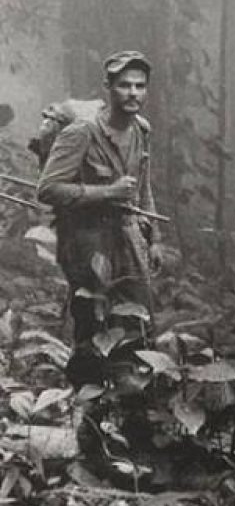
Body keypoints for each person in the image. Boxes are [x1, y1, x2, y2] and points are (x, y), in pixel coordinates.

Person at [37, 51, 160, 393]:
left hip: (129, 238)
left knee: (138, 322)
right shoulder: (82, 132)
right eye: (124, 85)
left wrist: (155, 239)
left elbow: (143, 187)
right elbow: (48, 189)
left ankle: (131, 406)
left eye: (140, 86)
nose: (133, 93)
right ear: (108, 87)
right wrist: (107, 192)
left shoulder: (141, 130)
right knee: (92, 323)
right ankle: (88, 409)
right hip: (86, 241)